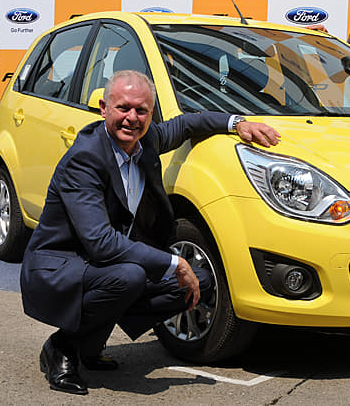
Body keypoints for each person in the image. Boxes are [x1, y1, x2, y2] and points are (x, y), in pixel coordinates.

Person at [20, 70, 281, 395]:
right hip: (61, 267)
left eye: (141, 110)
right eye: (123, 108)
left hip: (107, 266)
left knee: (197, 282)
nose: (132, 118)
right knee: (130, 276)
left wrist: (237, 123)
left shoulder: (146, 140)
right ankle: (62, 346)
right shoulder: (84, 160)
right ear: (104, 108)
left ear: (151, 113)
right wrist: (174, 263)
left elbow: (186, 124)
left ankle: (90, 340)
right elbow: (100, 243)